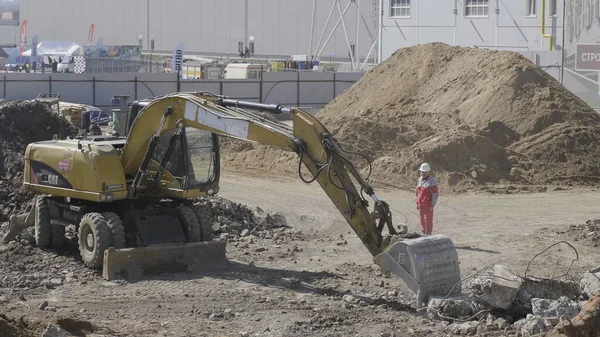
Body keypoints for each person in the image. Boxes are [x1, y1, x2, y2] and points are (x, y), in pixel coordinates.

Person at [415, 163, 438, 236]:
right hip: (421, 203)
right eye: (422, 172)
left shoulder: (432, 181)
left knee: (428, 220)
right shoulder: (419, 179)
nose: (423, 174)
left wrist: (432, 204)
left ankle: (428, 233)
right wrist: (417, 202)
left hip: (428, 204)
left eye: (425, 172)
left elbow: (435, 194)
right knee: (422, 219)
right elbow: (417, 191)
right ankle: (424, 232)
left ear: (428, 172)